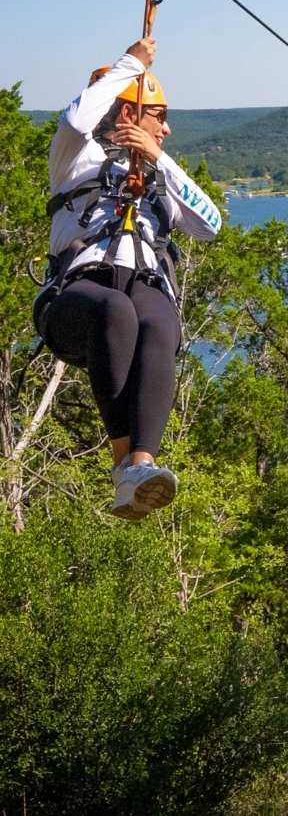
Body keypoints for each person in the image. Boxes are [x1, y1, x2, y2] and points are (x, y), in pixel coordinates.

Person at [34, 37, 222, 520]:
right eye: (159, 116)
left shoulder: (162, 176)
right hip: (79, 296)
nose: (168, 126)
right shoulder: (75, 161)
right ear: (128, 115)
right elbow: (77, 119)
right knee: (115, 311)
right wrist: (129, 66)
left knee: (159, 323)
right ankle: (123, 464)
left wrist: (157, 158)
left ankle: (141, 465)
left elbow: (211, 223)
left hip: (143, 283)